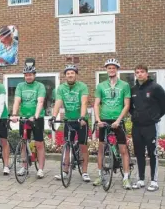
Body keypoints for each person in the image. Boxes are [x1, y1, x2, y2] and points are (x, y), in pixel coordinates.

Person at [93, 58, 132, 189]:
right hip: (104, 119)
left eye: (113, 68)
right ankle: (99, 175)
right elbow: (96, 104)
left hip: (118, 120)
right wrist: (98, 120)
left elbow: (126, 105)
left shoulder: (124, 85)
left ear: (117, 69)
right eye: (109, 68)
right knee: (101, 148)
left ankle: (126, 178)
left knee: (123, 149)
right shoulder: (101, 86)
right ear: (106, 70)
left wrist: (118, 120)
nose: (111, 70)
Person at [50, 65, 91, 182]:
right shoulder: (61, 88)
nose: (70, 75)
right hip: (68, 120)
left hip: (81, 120)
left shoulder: (82, 86)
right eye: (68, 73)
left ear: (76, 74)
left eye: (72, 73)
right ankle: (65, 171)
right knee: (67, 145)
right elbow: (58, 102)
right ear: (65, 75)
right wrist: (53, 116)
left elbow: (84, 102)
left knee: (83, 145)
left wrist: (82, 117)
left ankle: (85, 172)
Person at [130, 64, 165, 192]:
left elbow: (163, 105)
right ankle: (140, 179)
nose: (139, 74)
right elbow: (130, 108)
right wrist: (135, 116)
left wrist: (155, 117)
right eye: (137, 72)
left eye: (142, 72)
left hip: (151, 126)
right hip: (137, 126)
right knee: (139, 153)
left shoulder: (155, 88)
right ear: (135, 74)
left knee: (152, 153)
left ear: (147, 73)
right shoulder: (133, 89)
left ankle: (154, 181)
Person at [10, 65, 46, 178]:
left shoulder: (40, 86)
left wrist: (35, 116)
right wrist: (15, 114)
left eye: (30, 75)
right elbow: (17, 100)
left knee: (39, 143)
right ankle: (24, 167)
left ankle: (40, 169)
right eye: (26, 75)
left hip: (37, 118)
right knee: (23, 143)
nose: (28, 77)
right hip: (24, 117)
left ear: (34, 75)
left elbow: (40, 102)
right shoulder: (20, 86)